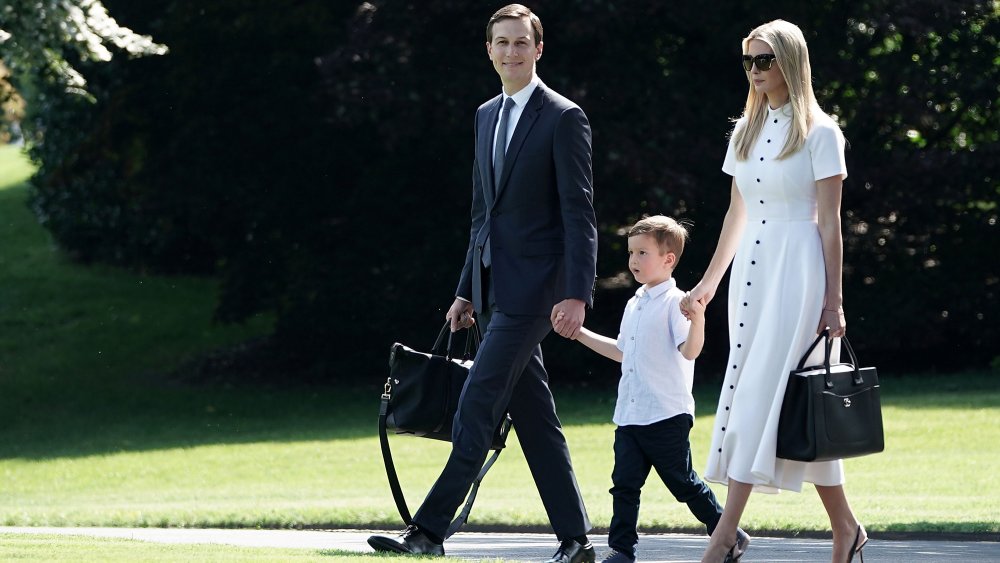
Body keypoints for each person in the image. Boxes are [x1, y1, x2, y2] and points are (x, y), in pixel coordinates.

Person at [367, 4, 599, 563]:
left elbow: (580, 213)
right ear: (489, 50)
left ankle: (427, 532)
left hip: (536, 294)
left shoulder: (564, 117)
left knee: (476, 403)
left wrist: (576, 293)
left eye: (523, 42)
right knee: (537, 421)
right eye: (503, 43)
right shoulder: (485, 115)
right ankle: (576, 541)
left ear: (538, 49)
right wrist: (466, 289)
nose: (513, 52)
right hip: (492, 291)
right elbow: (482, 215)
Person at [680, 19, 867, 563]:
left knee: (764, 395)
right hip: (752, 275)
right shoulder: (745, 130)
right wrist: (709, 283)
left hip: (799, 271)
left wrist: (834, 301)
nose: (757, 71)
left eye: (765, 60)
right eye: (750, 62)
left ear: (791, 62)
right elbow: (737, 211)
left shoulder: (822, 133)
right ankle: (847, 529)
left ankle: (723, 536)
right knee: (789, 405)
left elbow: (830, 223)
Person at [555, 216, 748, 563]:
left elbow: (690, 351)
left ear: (668, 259)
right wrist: (579, 333)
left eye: (642, 253)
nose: (633, 261)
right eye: (631, 252)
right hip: (630, 416)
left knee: (683, 484)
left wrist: (699, 319)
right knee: (624, 485)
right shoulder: (635, 303)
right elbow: (622, 351)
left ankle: (725, 529)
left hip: (666, 415)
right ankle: (622, 551)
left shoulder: (677, 303)